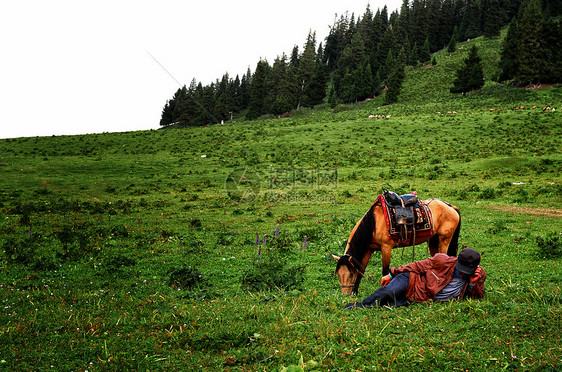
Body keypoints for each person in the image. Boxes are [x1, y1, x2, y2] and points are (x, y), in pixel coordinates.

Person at [345, 248, 486, 309]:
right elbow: (418, 265)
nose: (463, 274)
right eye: (461, 270)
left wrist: (473, 284)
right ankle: (359, 306)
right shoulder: (442, 260)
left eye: (466, 272)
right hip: (412, 281)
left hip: (419, 296)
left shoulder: (477, 275)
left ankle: (365, 306)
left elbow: (478, 297)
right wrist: (391, 273)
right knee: (389, 292)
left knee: (391, 304)